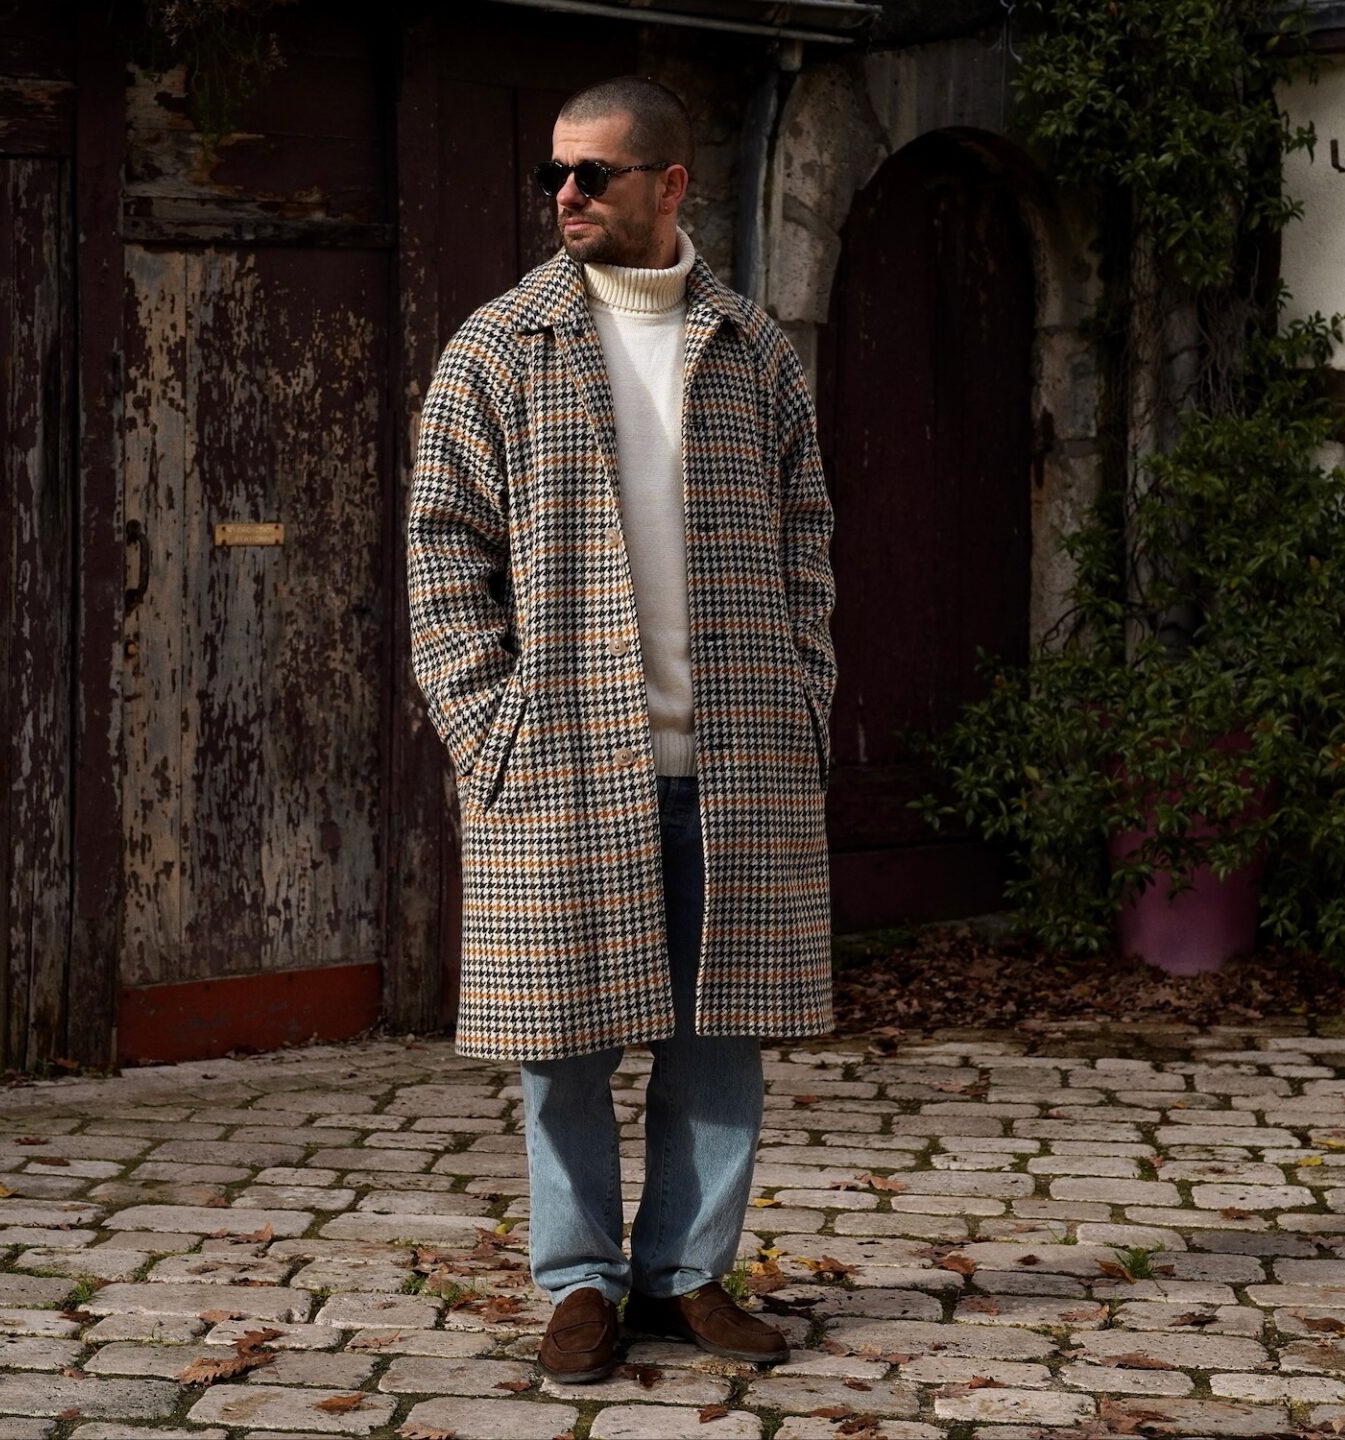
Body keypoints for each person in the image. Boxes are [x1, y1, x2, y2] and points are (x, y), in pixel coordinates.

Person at [406, 75, 836, 1385]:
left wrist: (802, 698)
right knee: (561, 1043)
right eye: (556, 174)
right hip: (561, 760)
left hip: (735, 760)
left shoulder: (753, 348)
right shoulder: (499, 346)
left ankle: (689, 1276)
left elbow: (809, 542)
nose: (568, 196)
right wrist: (494, 727)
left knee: (721, 1040)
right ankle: (581, 1285)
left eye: (594, 173)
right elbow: (442, 557)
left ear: (669, 186)